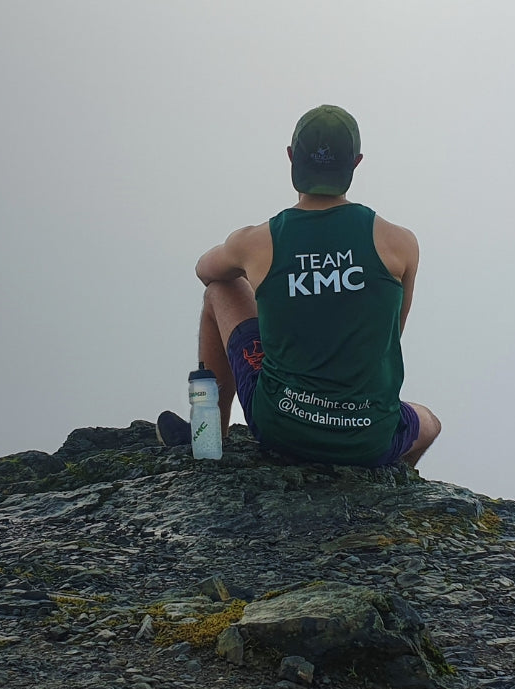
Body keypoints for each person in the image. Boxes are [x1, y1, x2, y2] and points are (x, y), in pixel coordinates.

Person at [158, 104, 440, 467]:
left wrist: (276, 287)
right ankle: (381, 482)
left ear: (291, 157)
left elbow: (205, 270)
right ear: (356, 163)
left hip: (283, 426)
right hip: (368, 435)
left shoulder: (257, 243)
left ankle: (210, 436)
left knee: (220, 291)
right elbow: (389, 338)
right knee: (429, 422)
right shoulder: (401, 244)